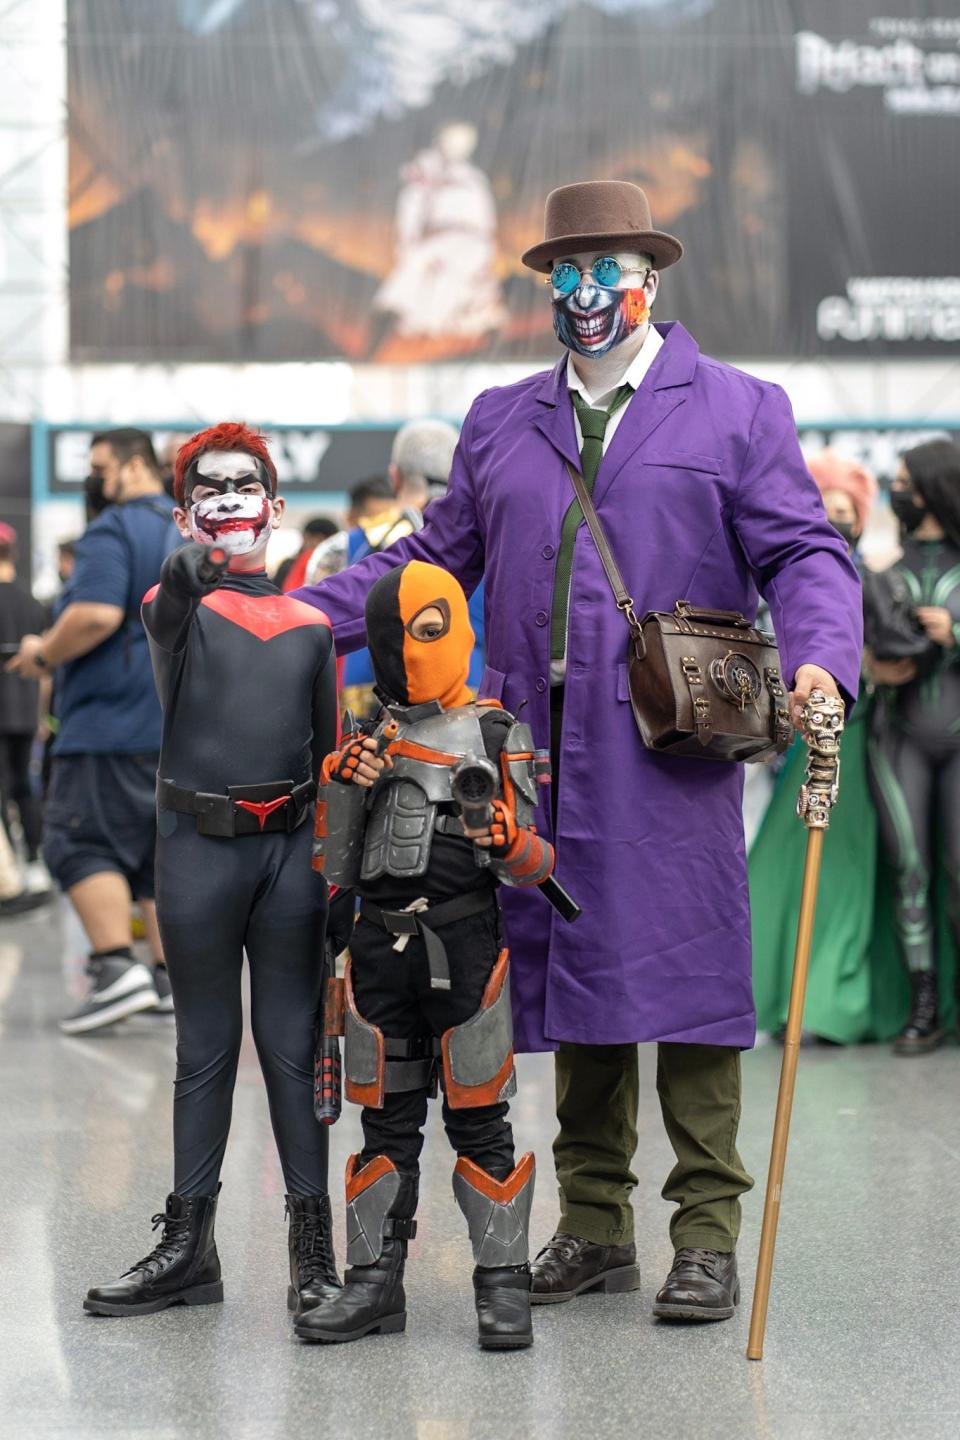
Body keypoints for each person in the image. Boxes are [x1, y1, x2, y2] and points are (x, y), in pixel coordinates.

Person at [294, 180, 862, 1322]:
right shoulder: (504, 416)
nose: (588, 289)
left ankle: (705, 1231)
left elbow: (805, 551)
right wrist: (292, 613)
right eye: (568, 269)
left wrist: (820, 661)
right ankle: (595, 1226)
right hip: (527, 755)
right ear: (547, 283)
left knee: (691, 981)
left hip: (669, 745)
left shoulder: (738, 409)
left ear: (652, 278)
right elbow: (434, 564)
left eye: (609, 267)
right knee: (573, 967)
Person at [84, 422, 340, 1321]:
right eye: (208, 487)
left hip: (290, 860)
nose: (228, 498)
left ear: (274, 505)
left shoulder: (314, 624)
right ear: (188, 512)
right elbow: (168, 610)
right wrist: (192, 571)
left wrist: (337, 880)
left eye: (244, 484)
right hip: (195, 852)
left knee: (292, 1049)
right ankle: (189, 1243)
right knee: (205, 1052)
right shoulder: (175, 603)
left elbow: (329, 757)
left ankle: (314, 1252)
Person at [295, 560, 551, 1350]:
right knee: (386, 1119)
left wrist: (505, 839)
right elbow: (331, 866)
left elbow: (537, 865)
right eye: (392, 637)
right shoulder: (367, 734)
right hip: (378, 950)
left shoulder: (498, 732)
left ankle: (503, 1283)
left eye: (424, 631)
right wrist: (341, 784)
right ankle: (374, 1285)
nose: (408, 650)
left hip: (468, 946)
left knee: (481, 1117)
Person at [6, 428, 180, 1033]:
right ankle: (164, 977)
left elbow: (95, 613)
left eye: (100, 466)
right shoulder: (186, 532)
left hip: (106, 723)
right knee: (155, 854)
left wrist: (44, 653)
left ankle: (113, 967)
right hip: (171, 727)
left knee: (77, 842)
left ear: (133, 467)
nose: (94, 479)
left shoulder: (112, 530)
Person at [750, 452, 890, 1044]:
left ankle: (827, 1002)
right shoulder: (786, 581)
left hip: (857, 741)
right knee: (776, 871)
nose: (836, 522)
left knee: (844, 875)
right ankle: (774, 997)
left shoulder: (875, 582)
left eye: (844, 512)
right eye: (824, 510)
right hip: (797, 741)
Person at [863, 439, 960, 1055]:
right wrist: (875, 664)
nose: (896, 491)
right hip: (898, 738)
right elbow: (870, 660)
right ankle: (924, 1003)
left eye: (905, 481)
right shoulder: (883, 574)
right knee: (912, 872)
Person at [0, 524, 49, 893]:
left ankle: (9, 871)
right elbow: (46, 668)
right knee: (25, 789)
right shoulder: (32, 603)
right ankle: (34, 861)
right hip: (27, 712)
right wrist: (41, 715)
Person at [275, 515, 339, 593]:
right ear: (304, 537)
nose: (315, 543)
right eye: (312, 538)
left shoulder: (338, 570)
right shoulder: (287, 565)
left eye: (321, 540)